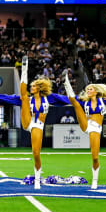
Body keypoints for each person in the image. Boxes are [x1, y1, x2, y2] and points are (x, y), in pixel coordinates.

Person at [19, 57, 70, 189]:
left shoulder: (49, 99)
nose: (32, 87)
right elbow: (23, 91)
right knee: (23, 97)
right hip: (28, 121)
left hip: (38, 126)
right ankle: (24, 67)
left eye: (34, 86)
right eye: (31, 86)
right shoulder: (29, 99)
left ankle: (37, 178)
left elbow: (66, 100)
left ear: (39, 88)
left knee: (36, 153)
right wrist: (24, 69)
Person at [64, 73, 106, 189]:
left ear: (96, 91)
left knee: (95, 157)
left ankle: (95, 180)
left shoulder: (103, 101)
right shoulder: (84, 101)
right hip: (86, 125)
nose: (88, 91)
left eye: (90, 89)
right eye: (87, 89)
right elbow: (71, 100)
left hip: (96, 129)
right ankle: (66, 83)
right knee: (76, 105)